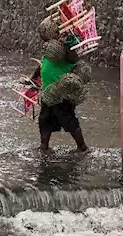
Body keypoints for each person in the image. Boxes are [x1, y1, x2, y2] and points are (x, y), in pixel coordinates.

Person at [31, 15, 92, 153]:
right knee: (44, 120)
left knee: (67, 119)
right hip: (48, 91)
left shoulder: (67, 49)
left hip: (62, 91)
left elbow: (73, 58)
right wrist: (33, 78)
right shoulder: (51, 48)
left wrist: (65, 41)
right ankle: (44, 146)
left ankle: (82, 147)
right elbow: (43, 64)